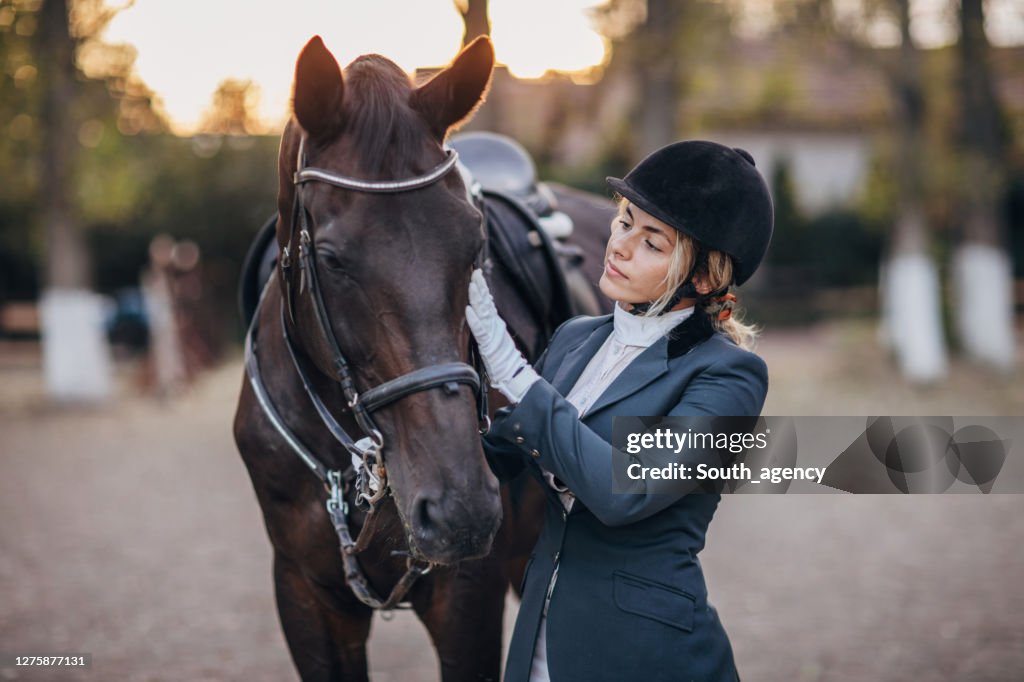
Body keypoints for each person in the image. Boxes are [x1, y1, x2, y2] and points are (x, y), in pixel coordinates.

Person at [466, 140, 774, 682]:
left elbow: (623, 492)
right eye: (625, 222)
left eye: (651, 242)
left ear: (701, 279)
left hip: (644, 653)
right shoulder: (573, 339)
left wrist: (514, 373)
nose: (620, 246)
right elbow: (500, 457)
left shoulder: (728, 376)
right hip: (538, 638)